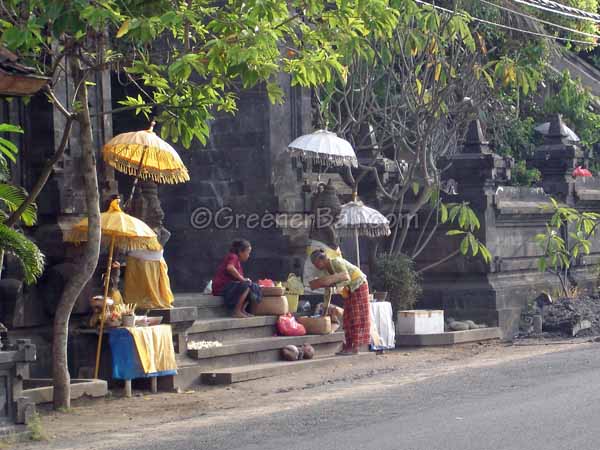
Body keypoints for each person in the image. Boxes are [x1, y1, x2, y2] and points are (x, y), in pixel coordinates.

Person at [309, 249, 370, 355]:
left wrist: (334, 284)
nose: (315, 266)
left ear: (321, 260)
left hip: (359, 285)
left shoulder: (336, 262)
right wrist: (325, 309)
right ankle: (348, 346)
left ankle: (354, 347)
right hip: (348, 289)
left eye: (315, 263)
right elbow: (328, 290)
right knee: (347, 318)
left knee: (356, 317)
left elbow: (347, 279)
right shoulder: (325, 271)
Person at [212, 239, 261, 318]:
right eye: (248, 253)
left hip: (229, 286)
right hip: (221, 288)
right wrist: (242, 279)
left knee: (253, 286)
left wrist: (245, 280)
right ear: (240, 252)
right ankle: (236, 311)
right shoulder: (233, 256)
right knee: (246, 285)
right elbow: (230, 268)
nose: (249, 255)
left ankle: (242, 310)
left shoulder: (237, 261)